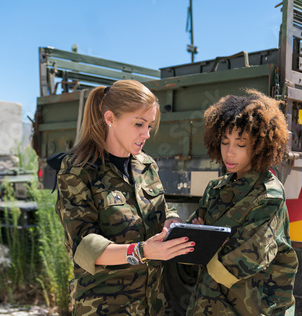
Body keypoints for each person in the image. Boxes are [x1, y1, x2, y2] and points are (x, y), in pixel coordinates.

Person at [48, 79, 194, 316]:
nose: (146, 134)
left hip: (152, 305)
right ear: (110, 119)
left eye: (150, 125)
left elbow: (158, 208)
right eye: (139, 124)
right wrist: (143, 251)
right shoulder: (78, 170)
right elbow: (85, 247)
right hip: (104, 307)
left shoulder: (147, 165)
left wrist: (171, 221)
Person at [185, 89, 299, 315]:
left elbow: (247, 257)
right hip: (205, 304)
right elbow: (187, 244)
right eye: (225, 142)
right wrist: (200, 243)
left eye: (240, 144)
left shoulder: (269, 195)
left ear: (260, 146)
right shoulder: (215, 189)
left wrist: (203, 245)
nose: (229, 153)